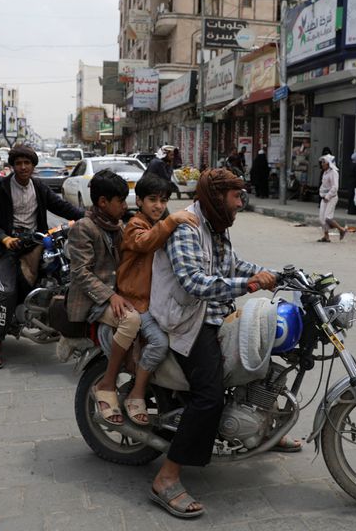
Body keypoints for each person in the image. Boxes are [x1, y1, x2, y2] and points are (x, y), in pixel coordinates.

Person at [148, 168, 280, 518]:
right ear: (218, 196)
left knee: (266, 354)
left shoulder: (216, 226)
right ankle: (166, 477)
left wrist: (272, 274)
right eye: (236, 196)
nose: (241, 202)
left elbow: (232, 265)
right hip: (187, 320)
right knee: (209, 396)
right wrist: (249, 285)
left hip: (213, 312)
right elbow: (194, 282)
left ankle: (267, 428)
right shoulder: (187, 228)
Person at [0, 144, 84, 369]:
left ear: (33, 166)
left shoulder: (39, 187)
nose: (22, 167)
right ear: (12, 166)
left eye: (27, 163)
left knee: (59, 274)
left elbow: (62, 207)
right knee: (7, 292)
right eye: (18, 163)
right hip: (7, 247)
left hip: (35, 245)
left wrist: (88, 217)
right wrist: (4, 238)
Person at [115, 173, 198, 425]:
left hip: (157, 300)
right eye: (152, 199)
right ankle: (137, 393)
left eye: (163, 201)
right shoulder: (135, 226)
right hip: (136, 301)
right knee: (160, 343)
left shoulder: (157, 223)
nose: (158, 206)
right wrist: (171, 220)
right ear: (139, 201)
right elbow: (144, 243)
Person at [65, 170, 142, 424]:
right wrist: (110, 296)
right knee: (130, 320)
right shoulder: (84, 228)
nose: (124, 206)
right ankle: (107, 383)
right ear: (102, 202)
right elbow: (81, 273)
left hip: (114, 295)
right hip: (92, 301)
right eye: (120, 201)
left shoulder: (117, 226)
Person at [318, 154, 346, 242]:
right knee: (322, 219)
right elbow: (324, 185)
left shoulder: (334, 172)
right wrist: (322, 193)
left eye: (324, 162)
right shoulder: (325, 172)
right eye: (322, 162)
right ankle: (326, 236)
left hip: (331, 198)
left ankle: (342, 229)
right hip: (324, 198)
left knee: (327, 218)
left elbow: (335, 187)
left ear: (329, 163)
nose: (322, 164)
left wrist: (328, 196)